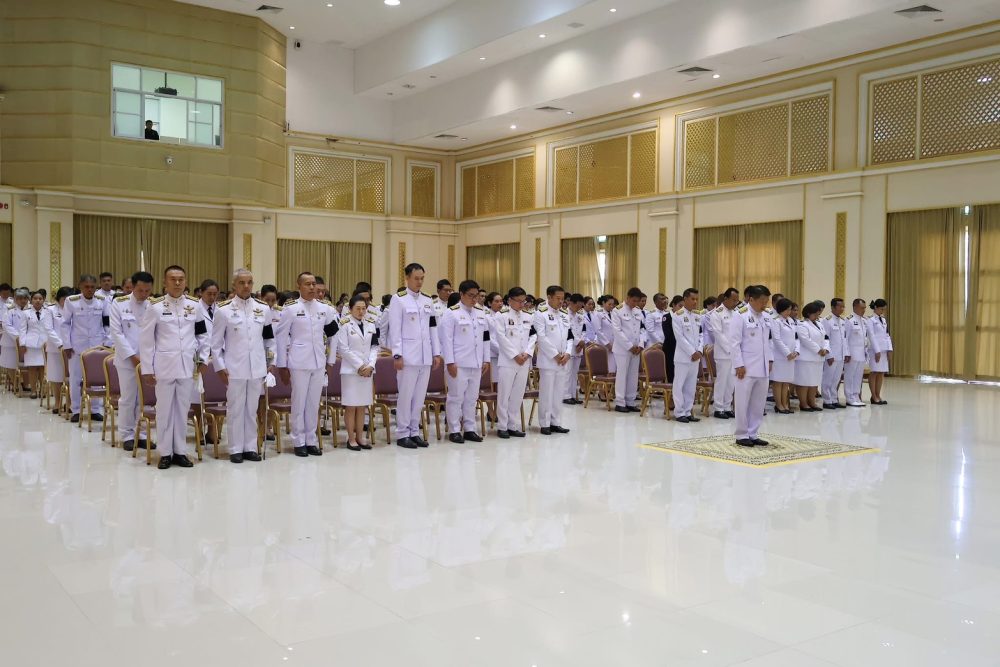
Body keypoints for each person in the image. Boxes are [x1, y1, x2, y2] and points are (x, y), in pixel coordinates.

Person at [139, 265, 210, 469]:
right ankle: (165, 453)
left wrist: (203, 359)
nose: (177, 283)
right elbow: (146, 340)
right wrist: (147, 369)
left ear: (185, 282)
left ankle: (180, 451)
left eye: (181, 279)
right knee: (164, 410)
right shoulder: (155, 307)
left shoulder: (195, 306)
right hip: (164, 366)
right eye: (173, 279)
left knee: (182, 409)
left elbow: (203, 335)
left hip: (187, 366)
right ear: (165, 282)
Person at [212, 268, 275, 463]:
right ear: (234, 285)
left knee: (251, 409)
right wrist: (220, 367)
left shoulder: (263, 309)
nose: (246, 286)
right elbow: (216, 344)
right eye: (241, 282)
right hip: (234, 368)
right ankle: (235, 449)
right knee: (235, 409)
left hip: (257, 367)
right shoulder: (223, 310)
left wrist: (270, 362)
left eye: (249, 282)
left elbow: (269, 340)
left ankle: (250, 447)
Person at [274, 272, 340, 457]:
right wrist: (282, 365)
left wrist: (331, 361)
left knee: (313, 403)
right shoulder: (291, 309)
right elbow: (281, 337)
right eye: (307, 284)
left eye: (313, 284)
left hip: (318, 361)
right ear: (299, 286)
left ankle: (311, 440)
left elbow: (333, 334)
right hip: (298, 362)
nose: (312, 287)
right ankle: (298, 441)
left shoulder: (324, 309)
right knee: (299, 402)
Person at [388, 263, 442, 449]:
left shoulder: (427, 300)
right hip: (407, 357)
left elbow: (432, 327)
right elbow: (395, 329)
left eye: (422, 278)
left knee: (419, 397)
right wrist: (397, 355)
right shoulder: (398, 299)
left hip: (425, 356)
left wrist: (436, 352)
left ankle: (414, 431)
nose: (419, 282)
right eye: (416, 278)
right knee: (405, 396)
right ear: (407, 278)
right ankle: (402, 433)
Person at [440, 280, 491, 443]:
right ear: (461, 294)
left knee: (471, 398)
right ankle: (454, 429)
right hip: (458, 363)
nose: (474, 299)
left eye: (476, 296)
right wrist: (449, 362)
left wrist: (486, 359)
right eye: (471, 296)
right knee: (455, 397)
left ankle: (470, 428)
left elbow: (485, 338)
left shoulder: (481, 312)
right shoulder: (451, 313)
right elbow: (446, 340)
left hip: (476, 363)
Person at [109, 271, 154, 451]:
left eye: (147, 291)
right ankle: (127, 435)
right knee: (128, 398)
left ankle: (141, 433)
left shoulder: (153, 305)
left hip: (148, 360)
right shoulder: (119, 304)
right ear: (133, 287)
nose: (144, 294)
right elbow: (116, 333)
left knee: (143, 399)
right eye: (140, 290)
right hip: (127, 360)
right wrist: (132, 356)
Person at [729, 285, 774, 446]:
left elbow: (769, 341)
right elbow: (734, 343)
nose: (764, 305)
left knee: (758, 403)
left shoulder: (766, 316)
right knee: (742, 402)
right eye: (762, 301)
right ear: (751, 299)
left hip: (762, 367)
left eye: (766, 301)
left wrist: (770, 360)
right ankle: (742, 434)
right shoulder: (740, 315)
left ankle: (753, 433)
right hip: (745, 367)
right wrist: (738, 364)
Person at [62, 274, 110, 423]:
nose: (90, 289)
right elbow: (65, 324)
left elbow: (107, 323)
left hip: (97, 345)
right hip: (77, 346)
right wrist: (67, 345)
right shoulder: (71, 301)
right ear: (80, 287)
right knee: (75, 379)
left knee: (96, 379)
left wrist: (107, 343)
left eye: (92, 287)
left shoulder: (102, 301)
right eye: (86, 287)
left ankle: (95, 410)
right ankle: (76, 410)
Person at [334, 294, 379, 451]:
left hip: (367, 371)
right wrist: (360, 366)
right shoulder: (344, 324)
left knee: (362, 406)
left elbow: (375, 347)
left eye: (363, 308)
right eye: (358, 308)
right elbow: (343, 349)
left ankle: (360, 437)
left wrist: (370, 365)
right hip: (351, 372)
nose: (361, 312)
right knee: (351, 406)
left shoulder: (371, 324)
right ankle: (351, 438)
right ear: (350, 309)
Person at [532, 285, 574, 435]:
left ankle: (556, 422)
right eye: (558, 298)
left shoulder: (564, 314)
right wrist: (555, 355)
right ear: (549, 297)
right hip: (549, 360)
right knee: (547, 393)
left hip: (563, 360)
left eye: (563, 299)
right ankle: (545, 423)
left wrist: (568, 353)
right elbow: (541, 337)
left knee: (558, 393)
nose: (561, 301)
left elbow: (570, 336)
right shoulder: (540, 314)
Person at [495, 287, 536, 439]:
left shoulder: (528, 316)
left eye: (523, 301)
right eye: (518, 301)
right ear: (510, 300)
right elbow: (501, 337)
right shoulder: (501, 315)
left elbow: (533, 336)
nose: (522, 304)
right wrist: (515, 355)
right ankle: (502, 426)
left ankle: (512, 425)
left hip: (524, 361)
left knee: (518, 395)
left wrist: (528, 352)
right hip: (508, 361)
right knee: (504, 395)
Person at [672, 288, 704, 422]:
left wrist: (700, 351)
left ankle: (688, 411)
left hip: (695, 358)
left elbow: (701, 335)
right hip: (683, 357)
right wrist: (692, 352)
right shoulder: (677, 315)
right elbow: (679, 337)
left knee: (691, 386)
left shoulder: (697, 315)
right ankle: (679, 412)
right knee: (679, 385)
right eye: (692, 299)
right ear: (685, 299)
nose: (695, 302)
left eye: (697, 299)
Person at [611, 287, 644, 413]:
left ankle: (630, 401)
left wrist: (641, 344)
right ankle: (620, 402)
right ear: (628, 298)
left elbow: (642, 329)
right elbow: (617, 331)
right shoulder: (617, 311)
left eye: (637, 301)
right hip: (623, 350)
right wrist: (630, 346)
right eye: (634, 300)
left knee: (633, 376)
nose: (635, 303)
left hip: (636, 349)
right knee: (622, 375)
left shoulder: (638, 311)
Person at [709, 287, 740, 419]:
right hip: (723, 353)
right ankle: (718, 408)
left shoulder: (736, 313)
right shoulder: (717, 313)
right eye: (733, 300)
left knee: (731, 382)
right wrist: (730, 349)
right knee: (722, 381)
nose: (736, 303)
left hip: (735, 353)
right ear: (726, 299)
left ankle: (727, 407)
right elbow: (718, 334)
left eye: (737, 300)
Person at [795, 301, 828, 412]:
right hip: (806, 358)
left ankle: (812, 402)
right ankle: (803, 404)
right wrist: (818, 350)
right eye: (816, 313)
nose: (818, 315)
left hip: (818, 359)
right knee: (804, 382)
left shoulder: (819, 324)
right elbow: (805, 340)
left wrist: (826, 349)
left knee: (814, 382)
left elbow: (826, 338)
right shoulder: (802, 324)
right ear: (809, 313)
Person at [42, 287, 70, 414]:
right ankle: (57, 402)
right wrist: (60, 344)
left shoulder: (73, 309)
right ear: (59, 299)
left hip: (70, 348)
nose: (66, 301)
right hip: (55, 348)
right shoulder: (50, 310)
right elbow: (49, 329)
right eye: (64, 299)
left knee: (70, 377)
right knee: (56, 376)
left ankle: (69, 403)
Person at [770, 298, 798, 414]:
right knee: (778, 381)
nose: (789, 312)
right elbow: (776, 339)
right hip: (780, 356)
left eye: (790, 310)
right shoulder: (775, 320)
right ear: (781, 309)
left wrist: (796, 351)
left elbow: (796, 338)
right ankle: (779, 405)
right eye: (787, 310)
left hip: (791, 357)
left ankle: (785, 405)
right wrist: (787, 353)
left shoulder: (791, 320)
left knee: (786, 381)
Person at [821, 298, 848, 409]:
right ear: (833, 307)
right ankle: (827, 400)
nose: (842, 308)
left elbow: (844, 339)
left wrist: (846, 354)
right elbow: (825, 339)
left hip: (840, 355)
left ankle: (834, 399)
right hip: (831, 355)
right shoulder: (827, 320)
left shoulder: (842, 321)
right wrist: (829, 355)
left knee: (836, 379)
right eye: (840, 306)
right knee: (828, 379)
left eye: (843, 306)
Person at [843, 298, 869, 407]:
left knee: (858, 376)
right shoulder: (849, 320)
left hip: (861, 353)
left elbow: (865, 337)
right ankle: (849, 397)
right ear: (855, 307)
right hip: (852, 353)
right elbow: (845, 338)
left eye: (864, 308)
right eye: (862, 308)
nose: (864, 310)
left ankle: (856, 396)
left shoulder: (863, 320)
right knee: (850, 376)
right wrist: (847, 353)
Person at [563, 293, 587, 405]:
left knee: (574, 373)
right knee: (567, 372)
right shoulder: (564, 315)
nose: (579, 308)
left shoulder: (580, 315)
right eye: (577, 306)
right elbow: (568, 331)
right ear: (571, 303)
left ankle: (572, 395)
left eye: (581, 306)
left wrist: (582, 343)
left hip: (578, 348)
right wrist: (578, 342)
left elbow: (584, 330)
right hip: (569, 347)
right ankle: (565, 396)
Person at [866, 299, 891, 405]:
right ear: (875, 307)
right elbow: (871, 336)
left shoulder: (883, 320)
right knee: (875, 372)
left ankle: (878, 395)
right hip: (875, 350)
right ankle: (873, 396)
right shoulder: (870, 320)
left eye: (884, 309)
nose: (883, 311)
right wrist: (877, 351)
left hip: (883, 350)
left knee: (881, 372)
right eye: (881, 309)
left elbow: (887, 335)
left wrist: (889, 349)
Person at [594, 295, 617, 373]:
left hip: (613, 345)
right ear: (603, 303)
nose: (611, 306)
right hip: (603, 345)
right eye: (609, 304)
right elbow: (598, 330)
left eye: (612, 304)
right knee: (603, 369)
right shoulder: (598, 314)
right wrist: (607, 344)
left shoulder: (614, 313)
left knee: (612, 369)